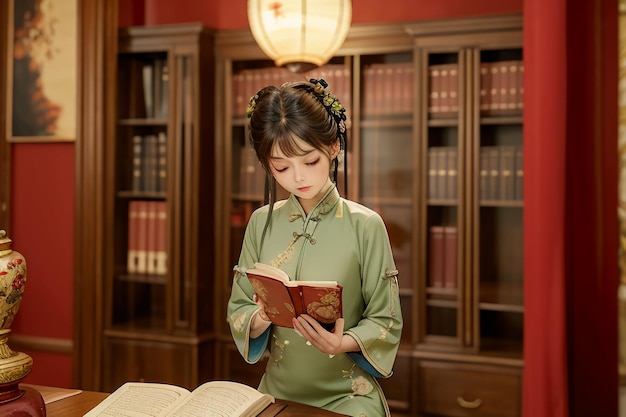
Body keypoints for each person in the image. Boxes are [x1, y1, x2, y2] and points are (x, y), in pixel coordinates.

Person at [227, 78, 402, 417]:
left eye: (309, 161)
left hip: (347, 397)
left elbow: (385, 319)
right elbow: (238, 307)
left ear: (333, 147)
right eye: (281, 167)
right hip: (274, 394)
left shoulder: (365, 225)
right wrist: (261, 316)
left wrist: (342, 343)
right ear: (266, 164)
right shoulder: (260, 222)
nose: (297, 177)